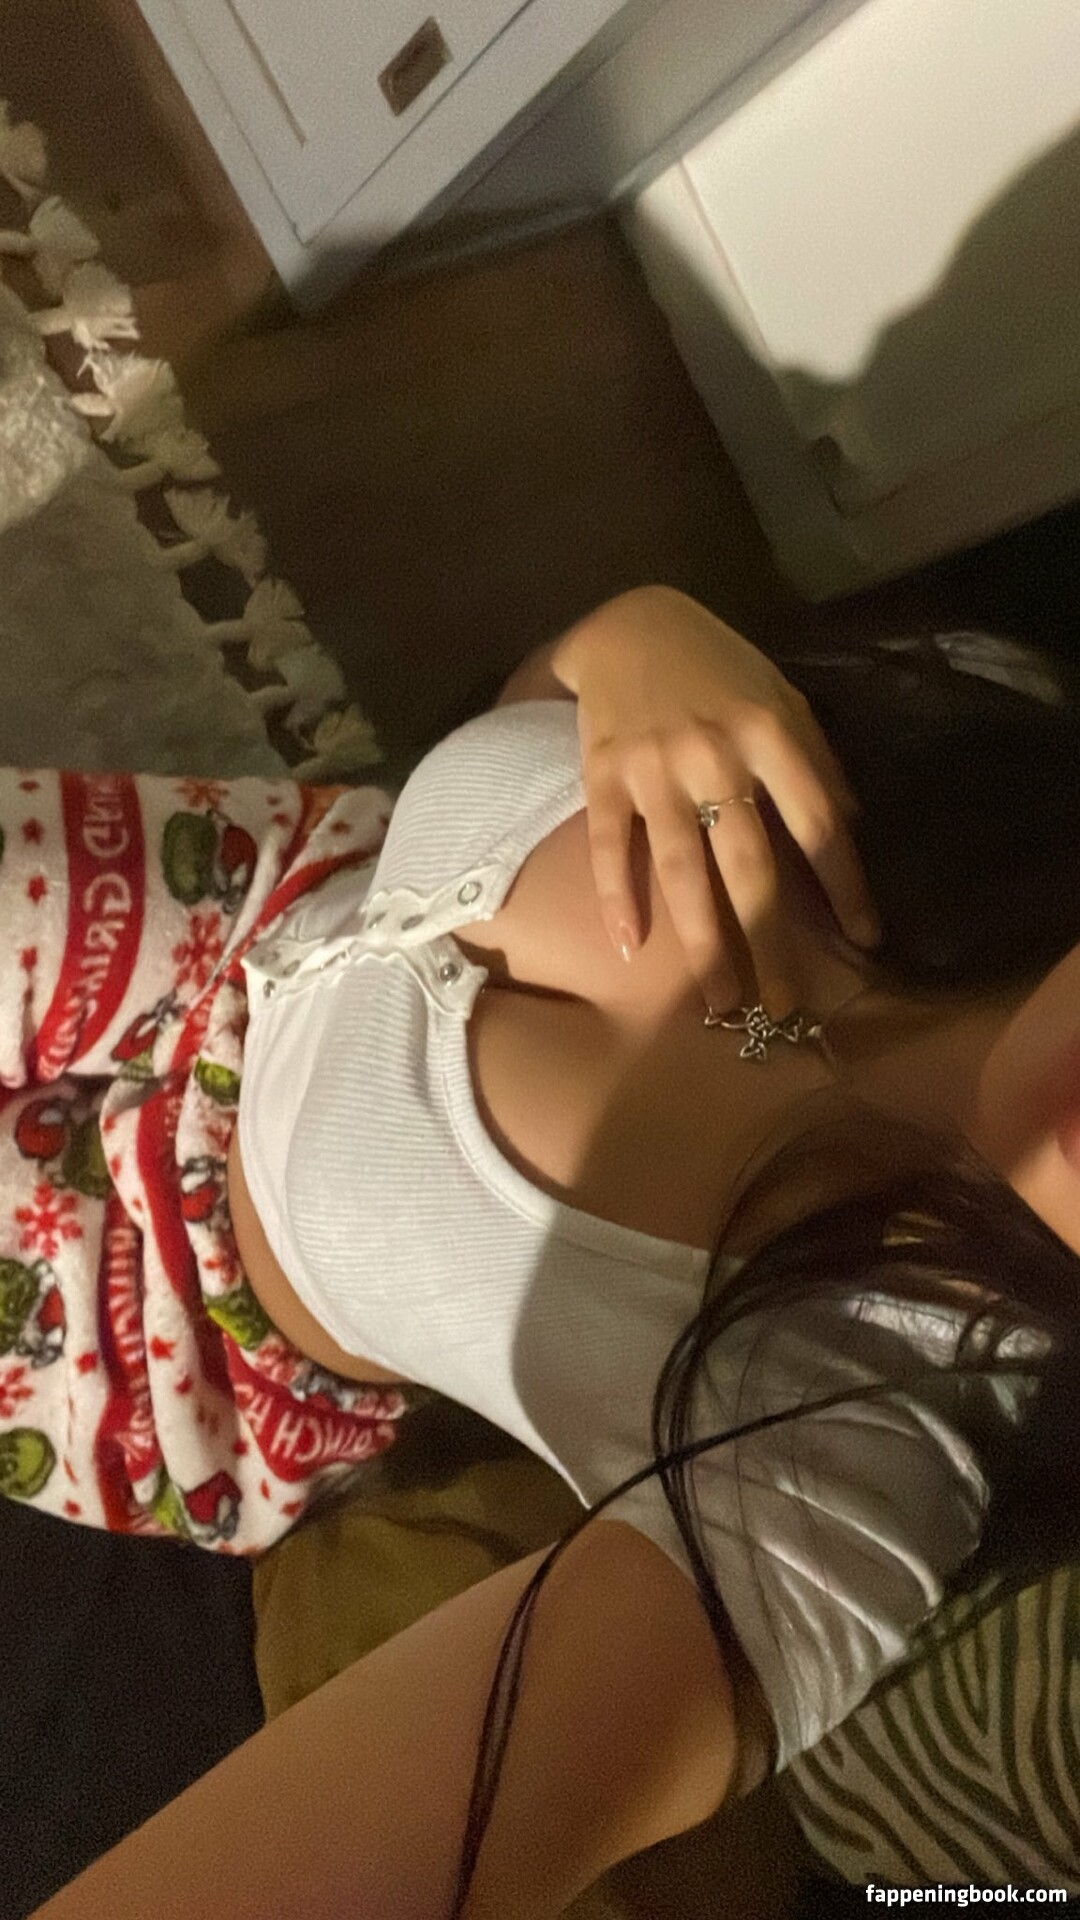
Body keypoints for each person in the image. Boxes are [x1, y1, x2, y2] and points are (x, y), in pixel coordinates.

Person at [16, 585, 1080, 1918]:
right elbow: (527, 723)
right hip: (198, 889)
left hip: (132, 1324)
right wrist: (625, 638)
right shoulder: (984, 739)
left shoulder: (847, 1465)